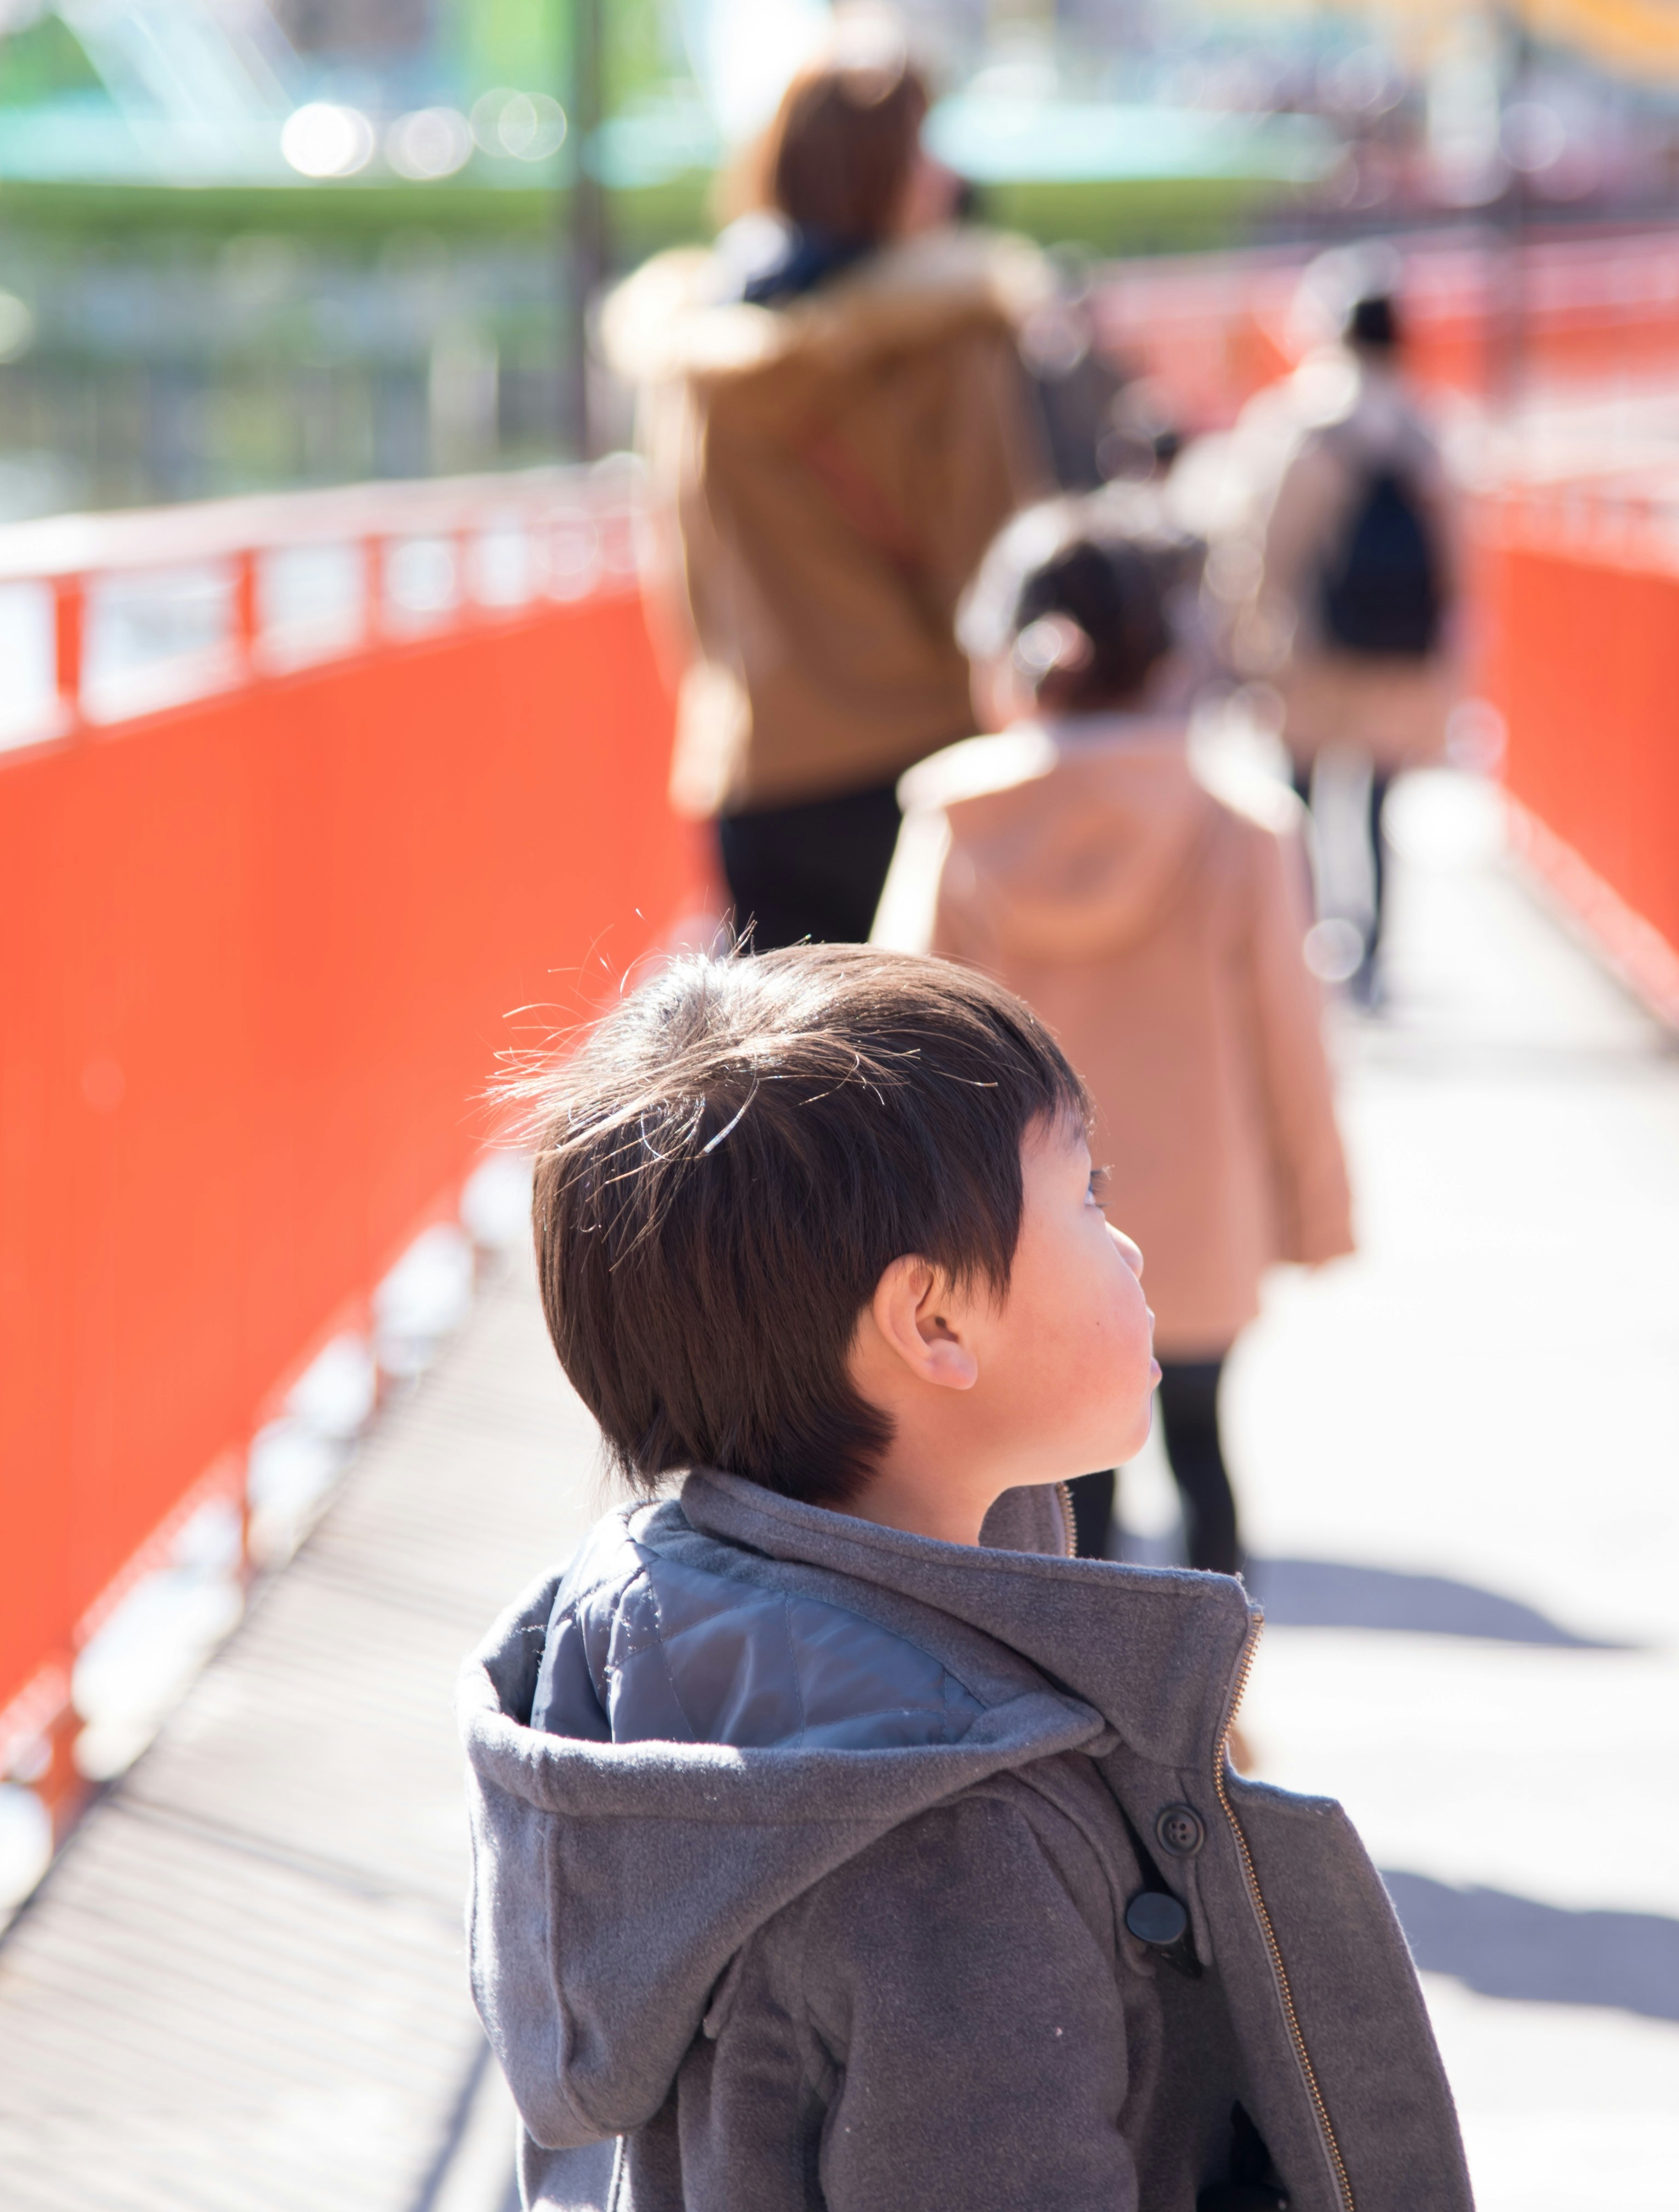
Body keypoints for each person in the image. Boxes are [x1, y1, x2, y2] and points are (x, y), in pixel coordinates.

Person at [467, 943, 1468, 2211]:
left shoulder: (640, 1657)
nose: (1132, 1249)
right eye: (1087, 1195)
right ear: (934, 1323)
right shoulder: (949, 1836)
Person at [874, 497, 1354, 1575]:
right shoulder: (1240, 823)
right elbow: (1291, 1036)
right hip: (1200, 1217)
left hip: (1022, 1227)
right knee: (1200, 1446)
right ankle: (1210, 1708)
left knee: (1056, 1486)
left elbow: (899, 1031)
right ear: (1165, 652)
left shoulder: (958, 816)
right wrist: (1315, 1208)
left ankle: (1070, 1726)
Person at [601, 48, 1051, 950]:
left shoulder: (690, 364)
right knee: (943, 1073)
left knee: (796, 1071)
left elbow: (687, 583)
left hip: (757, 763)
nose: (942, 176)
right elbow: (998, 571)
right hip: (926, 753)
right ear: (880, 176)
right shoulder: (951, 343)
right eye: (921, 151)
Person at [1198, 247, 1461, 1006]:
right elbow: (1456, 558)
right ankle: (1374, 952)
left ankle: (1307, 944)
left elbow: (1264, 541)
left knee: (1301, 803)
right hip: (1399, 654)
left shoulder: (1297, 421)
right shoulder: (1425, 426)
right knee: (1381, 805)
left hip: (1310, 653)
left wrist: (1243, 633)